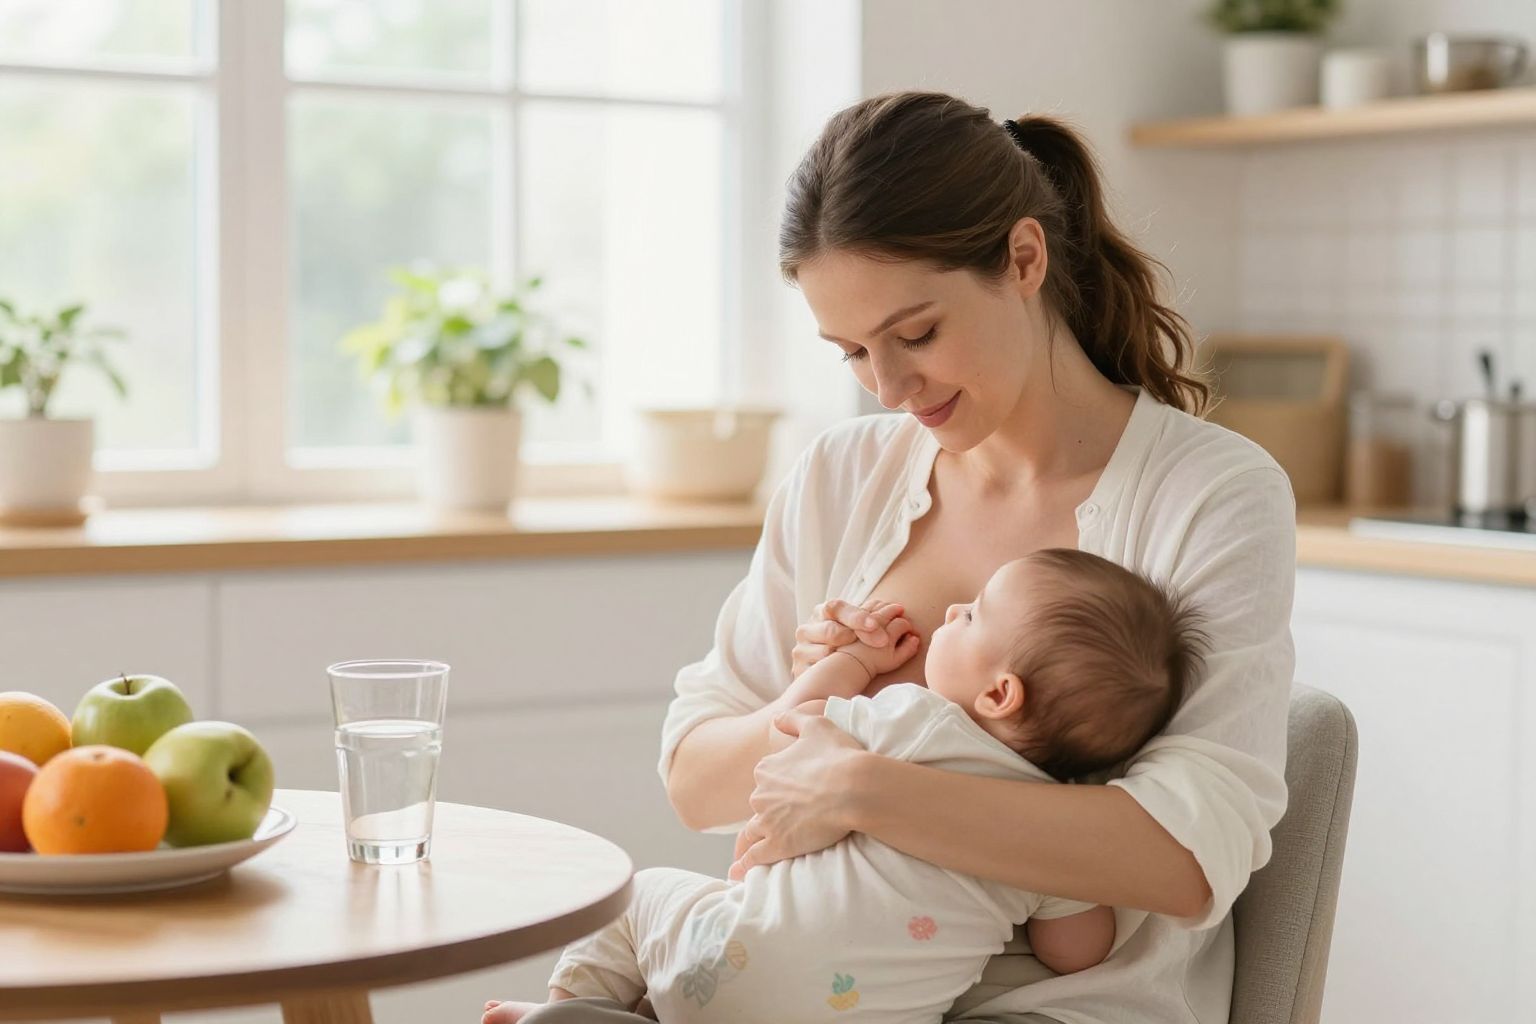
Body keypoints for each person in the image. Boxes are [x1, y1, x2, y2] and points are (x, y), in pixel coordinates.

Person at [535, 90, 1296, 1024]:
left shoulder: (1210, 493)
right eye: (852, 350)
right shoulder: (842, 476)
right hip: (813, 993)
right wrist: (822, 698)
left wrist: (862, 785)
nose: (889, 387)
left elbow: (1181, 859)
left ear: (1024, 258)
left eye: (916, 334)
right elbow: (697, 780)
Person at [485, 550, 1206, 1024]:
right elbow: (1075, 952)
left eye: (975, 614)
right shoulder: (1053, 836)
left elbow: (792, 735)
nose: (953, 611)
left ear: (999, 694)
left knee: (638, 895)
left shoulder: (909, 722)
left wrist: (853, 665)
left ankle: (561, 1011)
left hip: (732, 968)